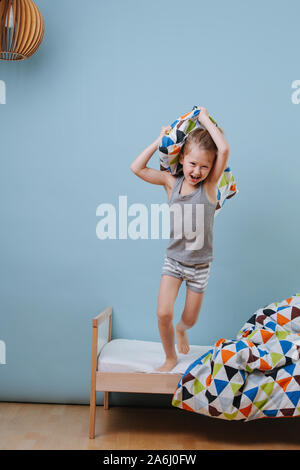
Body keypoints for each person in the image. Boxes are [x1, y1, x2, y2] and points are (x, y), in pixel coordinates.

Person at [130, 107, 230, 371]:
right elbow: (136, 167)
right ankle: (170, 357)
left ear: (212, 168)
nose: (197, 171)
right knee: (163, 312)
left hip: (200, 267)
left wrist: (205, 119)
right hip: (173, 262)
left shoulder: (209, 188)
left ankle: (182, 330)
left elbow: (225, 149)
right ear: (182, 158)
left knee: (189, 319)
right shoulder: (170, 183)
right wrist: (159, 139)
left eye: (205, 166)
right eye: (192, 164)